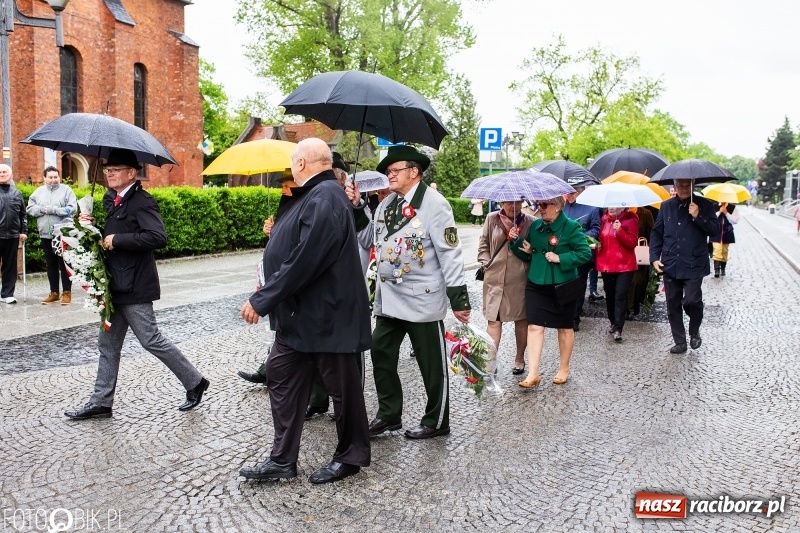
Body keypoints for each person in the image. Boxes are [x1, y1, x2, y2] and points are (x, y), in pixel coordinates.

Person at [238, 138, 372, 484]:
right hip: (302, 317)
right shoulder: (313, 195)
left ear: (302, 163)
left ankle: (351, 455)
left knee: (343, 392)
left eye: (292, 162)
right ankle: (282, 460)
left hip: (328, 316)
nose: (291, 168)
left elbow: (305, 259)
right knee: (279, 373)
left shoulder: (326, 196)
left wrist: (262, 298)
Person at [64, 149, 209, 420]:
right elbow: (111, 234)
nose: (109, 173)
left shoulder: (142, 202)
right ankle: (101, 402)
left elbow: (157, 236)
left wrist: (117, 239)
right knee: (107, 345)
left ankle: (195, 382)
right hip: (114, 285)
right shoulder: (112, 200)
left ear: (132, 173)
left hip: (135, 286)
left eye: (115, 169)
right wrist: (94, 228)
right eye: (108, 169)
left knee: (151, 340)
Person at [347, 145, 471, 440]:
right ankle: (389, 414)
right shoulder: (389, 205)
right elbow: (369, 239)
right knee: (380, 350)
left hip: (421, 298)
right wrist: (356, 207)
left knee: (431, 364)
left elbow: (450, 252)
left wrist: (459, 298)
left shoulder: (435, 204)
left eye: (394, 170)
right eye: (387, 171)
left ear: (413, 172)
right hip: (390, 299)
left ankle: (437, 420)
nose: (388, 175)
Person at [509, 196, 591, 386]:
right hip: (536, 282)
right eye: (539, 205)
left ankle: (564, 367)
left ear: (558, 206)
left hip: (562, 285)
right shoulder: (536, 227)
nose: (541, 209)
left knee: (564, 327)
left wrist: (560, 258)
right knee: (534, 326)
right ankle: (533, 373)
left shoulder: (571, 227)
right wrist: (514, 242)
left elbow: (585, 253)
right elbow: (526, 253)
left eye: (545, 205)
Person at [236, 169, 299, 386]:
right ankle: (270, 371)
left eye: (286, 185)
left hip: (291, 283)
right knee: (284, 335)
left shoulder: (305, 206)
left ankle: (272, 372)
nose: (282, 189)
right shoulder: (285, 206)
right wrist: (272, 232)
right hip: (278, 280)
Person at [650, 179, 720, 354]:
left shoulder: (705, 205)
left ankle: (694, 329)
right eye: (678, 185)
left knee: (692, 300)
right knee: (672, 304)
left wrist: (698, 216)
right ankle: (680, 341)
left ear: (693, 186)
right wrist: (654, 257)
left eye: (686, 185)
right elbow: (657, 233)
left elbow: (714, 230)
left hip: (694, 263)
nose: (682, 189)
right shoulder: (666, 206)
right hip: (671, 262)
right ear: (673, 185)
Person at [477, 200, 534, 374]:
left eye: (517, 202)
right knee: (494, 321)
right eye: (509, 202)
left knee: (521, 320)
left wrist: (528, 249)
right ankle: (490, 361)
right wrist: (487, 264)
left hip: (519, 280)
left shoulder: (530, 222)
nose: (513, 206)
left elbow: (536, 250)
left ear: (523, 203)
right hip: (494, 280)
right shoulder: (491, 218)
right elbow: (483, 246)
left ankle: (519, 358)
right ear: (502, 202)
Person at [26, 166, 78, 304]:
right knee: (51, 264)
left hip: (62, 234)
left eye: (56, 177)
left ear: (59, 177)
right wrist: (43, 209)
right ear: (44, 178)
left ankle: (67, 293)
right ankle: (54, 292)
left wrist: (54, 210)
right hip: (45, 233)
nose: (53, 180)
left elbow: (72, 209)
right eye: (50, 177)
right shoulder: (38, 192)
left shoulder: (67, 190)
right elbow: (30, 208)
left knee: (65, 264)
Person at [595, 207, 639, 342]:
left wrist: (620, 230)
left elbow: (632, 243)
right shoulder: (604, 219)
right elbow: (601, 239)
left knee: (620, 295)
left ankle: (618, 328)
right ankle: (613, 322)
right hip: (607, 265)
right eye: (609, 205)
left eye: (615, 205)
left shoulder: (631, 219)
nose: (612, 207)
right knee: (610, 295)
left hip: (625, 265)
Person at [562, 184, 601, 331]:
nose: (570, 196)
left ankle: (574, 318)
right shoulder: (563, 207)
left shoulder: (591, 208)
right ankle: (565, 314)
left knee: (578, 285)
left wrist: (579, 236)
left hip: (581, 254)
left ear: (580, 193)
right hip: (565, 254)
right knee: (564, 284)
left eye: (573, 193)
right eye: (568, 193)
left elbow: (596, 229)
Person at [0, 164, 28, 304]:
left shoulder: (17, 193)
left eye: (5, 172)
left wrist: (23, 231)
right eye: (0, 172)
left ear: (10, 175)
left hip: (12, 235)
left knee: (10, 266)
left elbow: (23, 215)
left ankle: (7, 294)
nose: (2, 174)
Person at [626, 206, 655, 317]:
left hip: (640, 253)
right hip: (624, 253)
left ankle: (632, 306)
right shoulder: (621, 213)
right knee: (625, 282)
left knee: (637, 281)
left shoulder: (645, 213)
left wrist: (652, 250)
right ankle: (626, 307)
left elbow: (652, 233)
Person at [710, 202, 738, 278]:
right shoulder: (714, 206)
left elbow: (735, 221)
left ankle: (723, 268)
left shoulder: (732, 208)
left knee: (724, 251)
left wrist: (726, 213)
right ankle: (717, 270)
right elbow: (710, 218)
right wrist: (719, 211)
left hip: (727, 233)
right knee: (717, 250)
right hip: (716, 233)